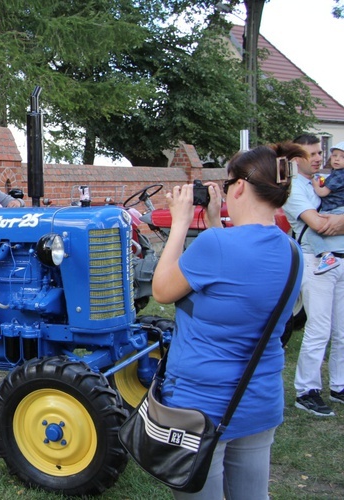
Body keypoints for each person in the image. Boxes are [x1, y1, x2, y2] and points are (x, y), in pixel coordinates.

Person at [152, 142, 305, 499]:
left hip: (200, 406)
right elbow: (234, 287)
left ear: (239, 187)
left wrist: (180, 223)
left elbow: (161, 289)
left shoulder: (217, 246)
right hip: (258, 399)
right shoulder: (292, 251)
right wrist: (215, 223)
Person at [283, 134, 344, 417]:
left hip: (340, 259)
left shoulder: (322, 184)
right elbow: (319, 225)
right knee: (319, 330)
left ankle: (339, 385)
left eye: (320, 152)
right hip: (316, 263)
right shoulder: (294, 189)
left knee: (341, 331)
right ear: (296, 159)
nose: (319, 157)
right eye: (312, 154)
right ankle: (306, 391)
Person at [308, 141, 344, 274]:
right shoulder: (336, 174)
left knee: (311, 232)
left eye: (342, 157)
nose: (337, 159)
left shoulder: (339, 175)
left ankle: (326, 256)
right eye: (335, 156)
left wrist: (313, 181)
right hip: (339, 208)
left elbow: (322, 192)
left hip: (335, 209)